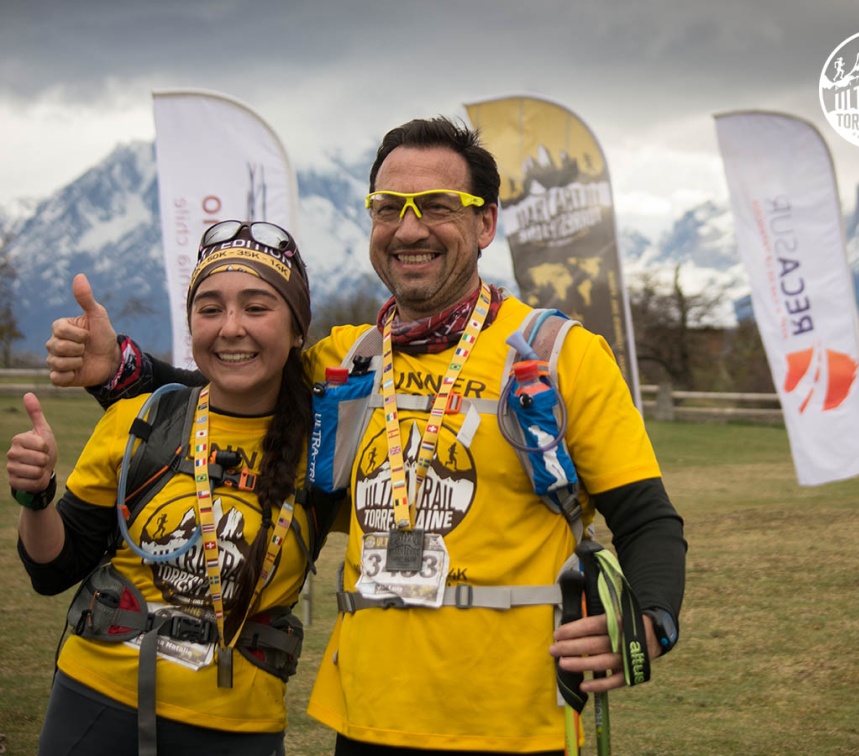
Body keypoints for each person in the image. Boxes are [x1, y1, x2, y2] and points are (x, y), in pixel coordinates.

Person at [45, 116, 688, 755]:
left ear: (485, 223)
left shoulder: (558, 355)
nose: (409, 229)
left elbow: (646, 517)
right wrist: (122, 366)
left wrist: (652, 620)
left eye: (437, 205)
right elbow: (234, 380)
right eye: (388, 208)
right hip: (365, 721)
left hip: (517, 723)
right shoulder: (346, 360)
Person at [11, 221, 321, 755]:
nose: (231, 328)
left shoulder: (325, 448)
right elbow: (52, 570)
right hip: (94, 701)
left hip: (238, 726)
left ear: (297, 329)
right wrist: (35, 495)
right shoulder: (140, 419)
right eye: (210, 309)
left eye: (256, 307)